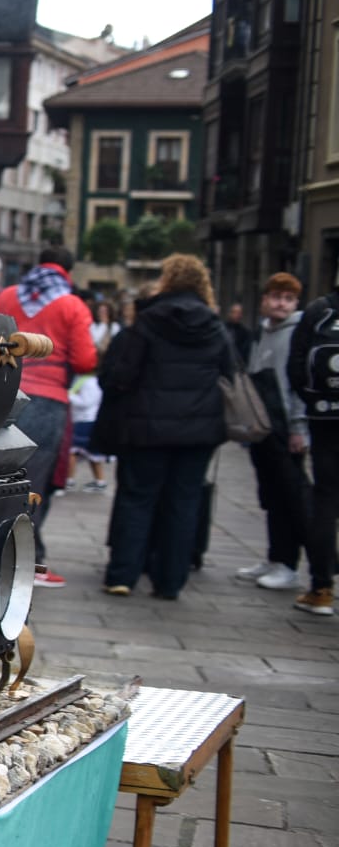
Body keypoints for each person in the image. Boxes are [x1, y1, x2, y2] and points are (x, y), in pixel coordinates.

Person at [97, 254, 237, 600]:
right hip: (199, 432)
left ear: (167, 281)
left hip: (147, 428)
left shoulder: (148, 322)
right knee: (184, 503)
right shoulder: (216, 326)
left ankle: (123, 575)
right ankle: (169, 581)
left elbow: (120, 376)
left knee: (137, 499)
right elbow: (231, 377)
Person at [0, 246, 97, 588]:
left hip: (5, 394)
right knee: (35, 480)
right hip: (47, 402)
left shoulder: (8, 295)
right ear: (68, 270)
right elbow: (85, 361)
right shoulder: (72, 305)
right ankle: (24, 558)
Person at [236, 273, 312, 592]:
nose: (281, 303)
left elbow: (299, 384)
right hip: (263, 428)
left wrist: (298, 428)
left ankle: (288, 565)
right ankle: (274, 557)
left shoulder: (298, 333)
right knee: (270, 496)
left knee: (290, 497)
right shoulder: (262, 333)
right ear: (265, 299)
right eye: (276, 296)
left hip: (285, 428)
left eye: (288, 298)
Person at [287, 280, 339, 615]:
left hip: (325, 419)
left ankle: (321, 589)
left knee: (326, 499)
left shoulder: (319, 310)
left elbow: (296, 366)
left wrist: (314, 403)